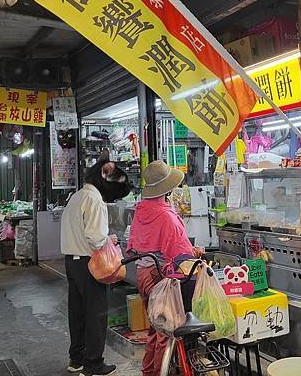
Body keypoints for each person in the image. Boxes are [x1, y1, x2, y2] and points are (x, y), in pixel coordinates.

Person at [127, 160, 202, 376]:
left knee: (155, 327)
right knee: (166, 332)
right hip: (159, 278)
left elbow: (132, 249)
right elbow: (181, 254)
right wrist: (196, 253)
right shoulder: (166, 216)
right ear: (168, 189)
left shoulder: (141, 211)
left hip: (143, 276)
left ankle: (148, 371)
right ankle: (160, 372)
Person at [61, 153, 131, 376]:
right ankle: (93, 364)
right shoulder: (94, 200)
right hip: (89, 262)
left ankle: (77, 360)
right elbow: (95, 237)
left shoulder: (77, 196)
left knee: (78, 312)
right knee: (96, 314)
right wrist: (109, 239)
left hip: (72, 261)